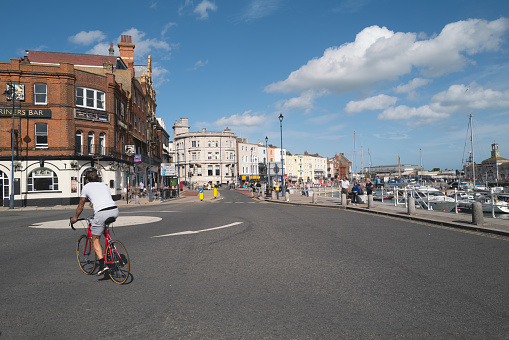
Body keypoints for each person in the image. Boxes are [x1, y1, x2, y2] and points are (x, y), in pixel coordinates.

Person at [71, 170, 119, 276]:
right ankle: (111, 249)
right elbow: (103, 198)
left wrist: (75, 218)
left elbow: (81, 206)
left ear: (87, 180)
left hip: (101, 213)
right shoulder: (104, 186)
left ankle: (102, 264)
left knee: (95, 239)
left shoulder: (86, 187)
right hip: (114, 210)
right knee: (102, 227)